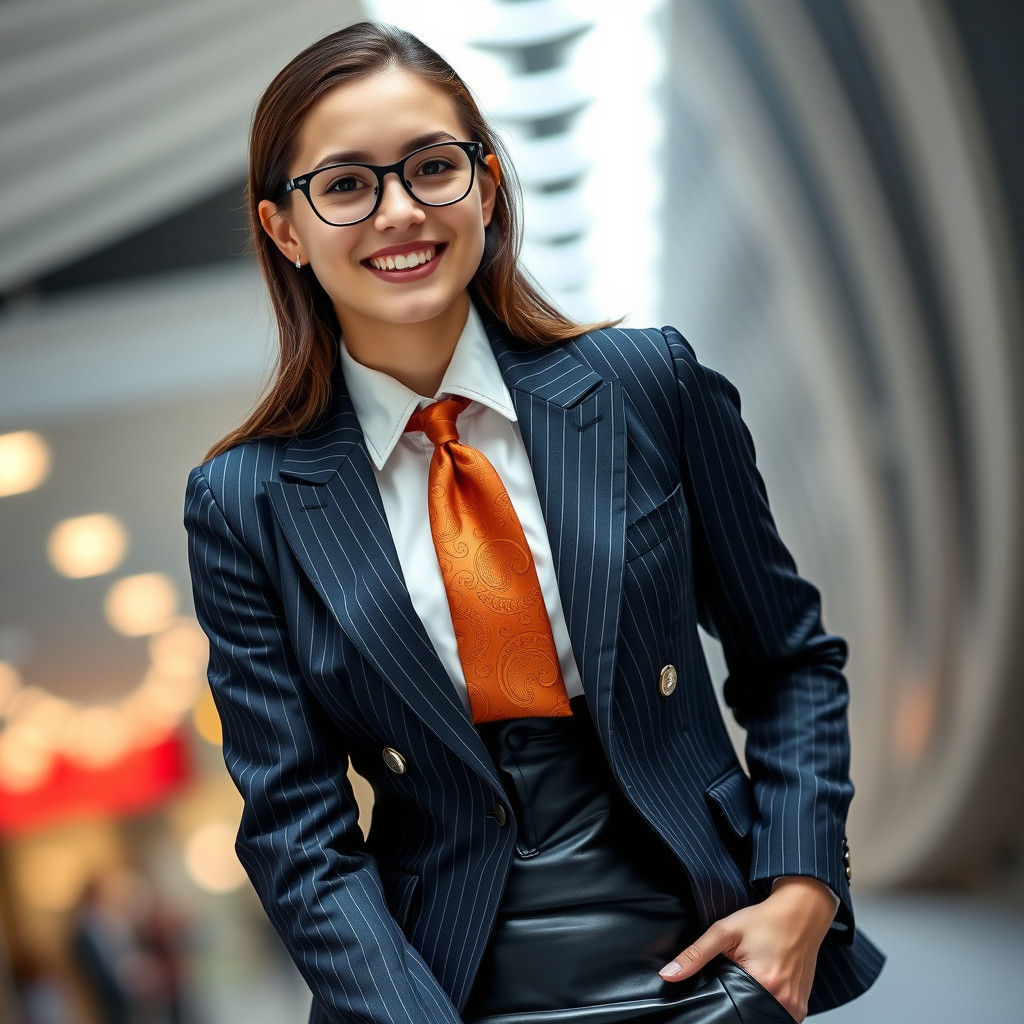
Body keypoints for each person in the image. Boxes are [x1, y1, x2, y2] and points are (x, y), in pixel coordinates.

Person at [183, 20, 886, 1024]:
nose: (399, 212)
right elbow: (295, 824)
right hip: (446, 984)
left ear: (488, 184)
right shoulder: (243, 503)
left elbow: (789, 662)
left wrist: (802, 892)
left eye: (432, 167)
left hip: (708, 941)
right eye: (345, 185)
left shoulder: (649, 386)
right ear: (283, 229)